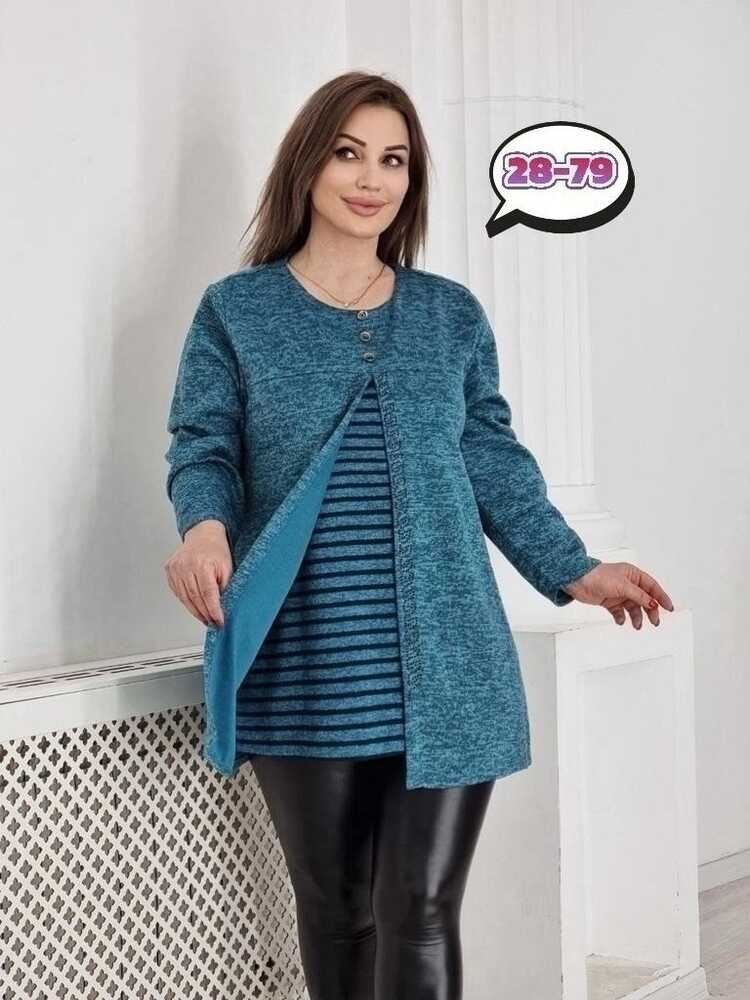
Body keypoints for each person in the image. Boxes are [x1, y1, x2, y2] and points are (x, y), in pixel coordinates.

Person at [163, 71, 673, 1000]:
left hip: (449, 658)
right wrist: (204, 531)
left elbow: (494, 462)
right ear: (308, 165)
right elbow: (205, 446)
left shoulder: (449, 316)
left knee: (423, 908)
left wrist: (577, 568)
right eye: (349, 153)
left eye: (394, 160)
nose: (372, 178)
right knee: (336, 911)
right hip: (304, 658)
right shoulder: (237, 312)